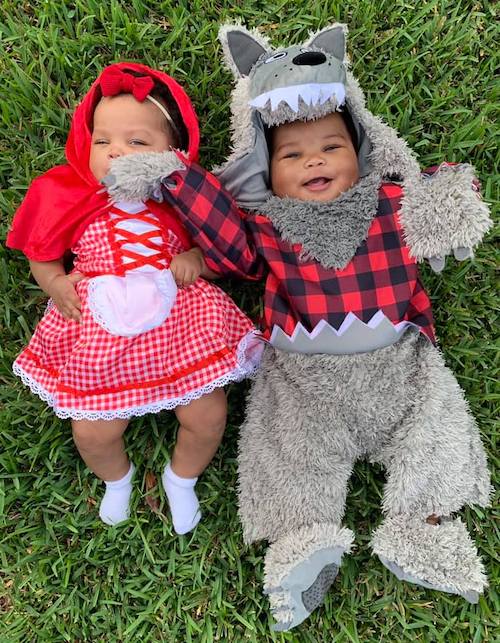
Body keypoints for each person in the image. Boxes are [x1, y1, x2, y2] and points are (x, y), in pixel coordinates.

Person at [104, 23, 492, 631]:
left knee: (437, 432)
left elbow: (448, 200)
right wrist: (175, 175)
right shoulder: (268, 225)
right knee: (286, 452)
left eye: (331, 147)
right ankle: (303, 542)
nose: (313, 158)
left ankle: (424, 526)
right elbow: (227, 247)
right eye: (290, 154)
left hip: (402, 369)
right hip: (306, 384)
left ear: (361, 154)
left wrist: (451, 195)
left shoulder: (390, 200)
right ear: (266, 174)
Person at [6, 62, 262, 533]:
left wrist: (194, 259)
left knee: (208, 414)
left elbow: (222, 246)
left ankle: (181, 478)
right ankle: (117, 480)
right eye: (102, 141)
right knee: (91, 430)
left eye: (137, 142)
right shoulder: (69, 195)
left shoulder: (180, 198)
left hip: (181, 321)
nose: (116, 152)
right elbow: (41, 253)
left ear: (173, 150)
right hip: (98, 325)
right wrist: (56, 283)